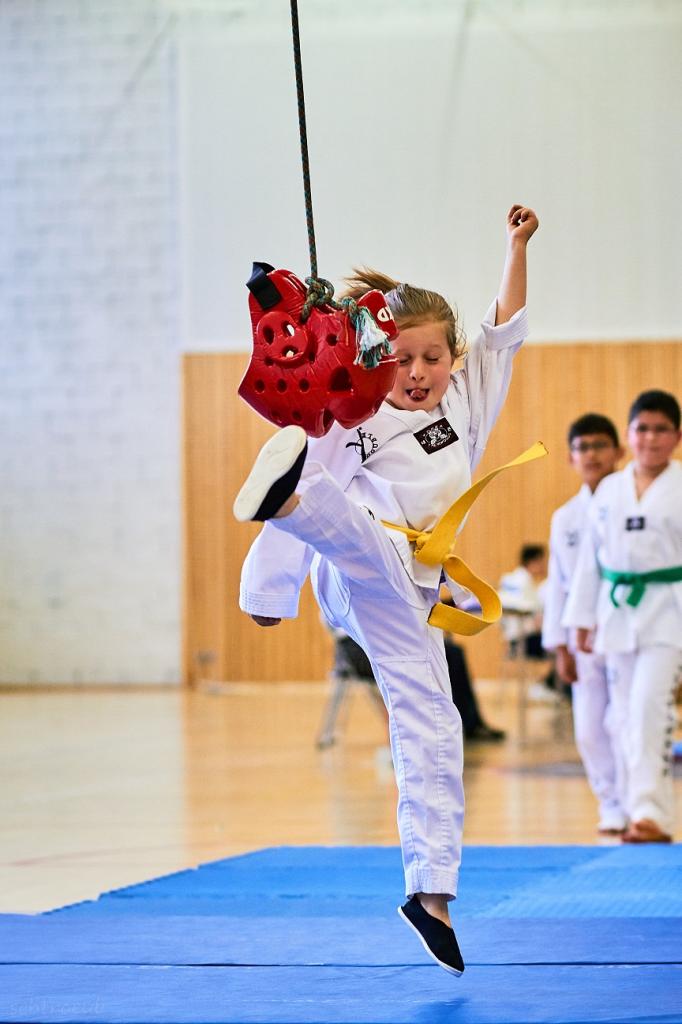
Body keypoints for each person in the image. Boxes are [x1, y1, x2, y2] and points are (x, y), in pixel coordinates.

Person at [234, 204, 539, 974]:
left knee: (434, 721)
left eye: (432, 359)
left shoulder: (469, 398)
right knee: (345, 520)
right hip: (352, 568)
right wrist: (270, 596)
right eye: (402, 360)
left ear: (451, 358)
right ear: (379, 359)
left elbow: (504, 330)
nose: (417, 374)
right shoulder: (357, 415)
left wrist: (515, 244)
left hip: (412, 597)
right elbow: (338, 457)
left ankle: (430, 894)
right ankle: (294, 493)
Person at [563, 390, 682, 844]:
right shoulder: (610, 490)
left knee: (650, 707)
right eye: (642, 428)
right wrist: (582, 619)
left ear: (677, 437)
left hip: (669, 610)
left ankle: (651, 813)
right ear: (629, 435)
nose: (650, 438)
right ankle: (637, 809)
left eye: (660, 429)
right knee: (623, 717)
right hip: (616, 612)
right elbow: (591, 561)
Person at [542, 413, 626, 834]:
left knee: (627, 721)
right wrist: (560, 646)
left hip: (628, 626)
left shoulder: (631, 505)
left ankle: (634, 801)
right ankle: (610, 801)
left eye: (599, 445)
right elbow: (558, 586)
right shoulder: (565, 518)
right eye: (582, 447)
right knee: (591, 728)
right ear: (571, 457)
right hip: (581, 634)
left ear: (619, 452)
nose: (591, 454)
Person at [499, 543, 548, 659]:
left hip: (511, 639)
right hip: (526, 640)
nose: (544, 566)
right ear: (534, 561)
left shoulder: (508, 579)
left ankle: (550, 677)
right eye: (542, 562)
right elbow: (534, 618)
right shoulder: (525, 583)